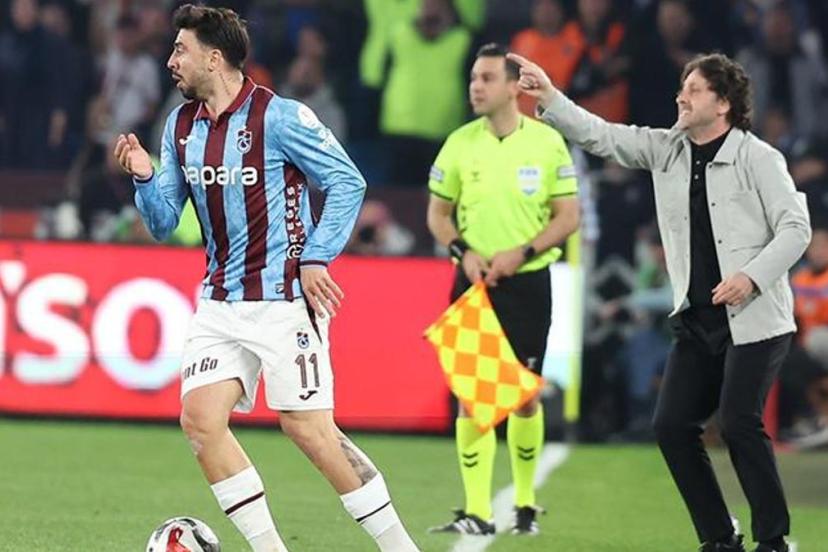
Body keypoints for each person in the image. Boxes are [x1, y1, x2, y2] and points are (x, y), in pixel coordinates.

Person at [113, 5, 419, 552]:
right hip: (220, 302)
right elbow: (162, 222)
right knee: (200, 421)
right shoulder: (180, 127)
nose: (171, 61)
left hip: (283, 300)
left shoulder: (280, 117)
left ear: (214, 57)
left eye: (181, 50)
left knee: (309, 430)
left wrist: (317, 256)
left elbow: (347, 181)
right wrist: (144, 179)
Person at [509, 50, 810, 552]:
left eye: (694, 90)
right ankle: (720, 538)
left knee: (739, 422)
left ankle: (773, 541)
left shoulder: (760, 158)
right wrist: (551, 97)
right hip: (697, 320)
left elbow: (796, 228)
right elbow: (601, 135)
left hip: (756, 318)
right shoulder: (665, 148)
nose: (681, 97)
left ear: (724, 103)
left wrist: (751, 277)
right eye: (681, 88)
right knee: (671, 427)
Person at [426, 43, 580, 536]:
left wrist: (523, 252)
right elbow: (438, 214)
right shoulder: (459, 143)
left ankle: (526, 504)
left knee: (524, 397)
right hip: (474, 283)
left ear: (515, 87)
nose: (476, 86)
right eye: (474, 77)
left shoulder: (547, 143)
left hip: (527, 283)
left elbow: (568, 217)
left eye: (488, 78)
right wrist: (462, 251)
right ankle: (477, 511)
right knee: (472, 397)